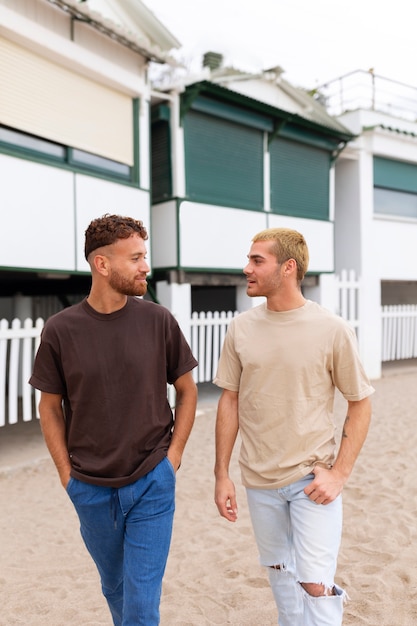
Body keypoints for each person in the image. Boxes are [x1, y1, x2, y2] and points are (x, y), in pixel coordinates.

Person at [29, 214, 198, 626]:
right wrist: (66, 475)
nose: (146, 267)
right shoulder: (60, 330)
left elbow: (187, 389)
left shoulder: (158, 320)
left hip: (152, 482)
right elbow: (49, 407)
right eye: (136, 257)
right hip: (89, 489)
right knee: (116, 588)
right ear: (102, 265)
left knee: (142, 605)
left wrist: (171, 458)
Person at [213, 227, 374, 626]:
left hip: (311, 482)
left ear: (288, 267)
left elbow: (360, 401)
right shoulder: (241, 329)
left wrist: (340, 473)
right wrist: (222, 474)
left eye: (256, 260)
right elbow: (229, 401)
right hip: (259, 481)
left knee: (315, 583)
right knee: (281, 578)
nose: (246, 268)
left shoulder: (332, 329)